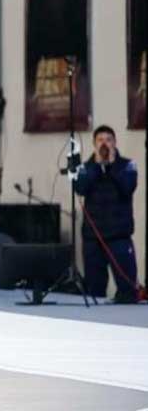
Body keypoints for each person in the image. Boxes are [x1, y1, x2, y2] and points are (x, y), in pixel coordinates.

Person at [73, 125, 140, 304]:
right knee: (94, 291)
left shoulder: (127, 165)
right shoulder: (85, 167)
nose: (105, 144)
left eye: (108, 140)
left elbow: (128, 187)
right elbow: (80, 188)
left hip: (119, 237)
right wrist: (97, 166)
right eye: (100, 140)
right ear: (94, 144)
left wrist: (112, 166)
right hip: (93, 239)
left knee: (128, 291)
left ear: (115, 143)